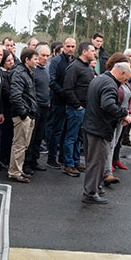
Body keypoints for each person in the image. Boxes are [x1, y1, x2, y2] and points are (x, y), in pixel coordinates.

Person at [81, 61, 131, 204]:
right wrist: (124, 114)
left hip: (90, 126)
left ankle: (94, 187)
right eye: (126, 78)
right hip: (100, 128)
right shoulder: (110, 85)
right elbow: (107, 104)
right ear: (122, 73)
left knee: (92, 161)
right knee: (97, 162)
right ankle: (90, 193)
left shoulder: (99, 79)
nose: (125, 82)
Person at [61, 42, 97, 177]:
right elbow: (67, 89)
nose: (95, 53)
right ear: (84, 52)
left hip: (86, 108)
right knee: (71, 136)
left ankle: (76, 161)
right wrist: (77, 105)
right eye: (92, 50)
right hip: (76, 108)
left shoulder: (88, 67)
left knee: (79, 137)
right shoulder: (74, 67)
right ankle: (68, 164)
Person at [8, 48, 39, 182]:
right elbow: (15, 96)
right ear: (27, 60)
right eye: (35, 59)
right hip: (23, 116)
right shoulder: (19, 73)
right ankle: (14, 172)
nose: (38, 62)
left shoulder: (28, 72)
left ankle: (18, 170)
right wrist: (24, 114)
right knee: (19, 144)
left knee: (24, 144)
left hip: (29, 114)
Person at [46, 37, 77, 169]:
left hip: (70, 102)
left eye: (72, 46)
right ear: (63, 46)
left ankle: (63, 156)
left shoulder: (75, 61)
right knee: (56, 130)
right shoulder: (56, 61)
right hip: (58, 100)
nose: (70, 49)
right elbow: (51, 81)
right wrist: (64, 94)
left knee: (66, 131)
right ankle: (51, 158)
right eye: (68, 46)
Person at [103, 52, 131, 180]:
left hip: (122, 117)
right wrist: (124, 115)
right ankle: (107, 172)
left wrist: (130, 113)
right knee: (109, 145)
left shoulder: (125, 82)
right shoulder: (111, 82)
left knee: (115, 144)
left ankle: (109, 169)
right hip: (114, 117)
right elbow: (110, 103)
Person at [24, 43, 52, 173]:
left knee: (39, 136)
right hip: (35, 108)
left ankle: (35, 161)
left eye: (47, 55)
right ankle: (27, 163)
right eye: (42, 55)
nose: (45, 58)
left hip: (45, 107)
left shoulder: (46, 69)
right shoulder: (32, 70)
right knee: (31, 137)